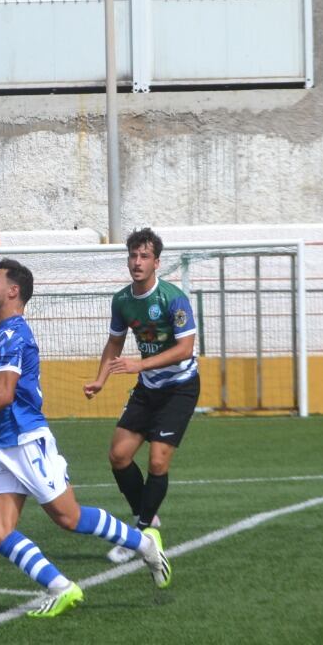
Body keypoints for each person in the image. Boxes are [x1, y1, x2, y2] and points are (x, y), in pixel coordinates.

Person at [0, 258, 171, 618]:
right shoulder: (1, 335)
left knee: (69, 518)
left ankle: (144, 544)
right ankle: (61, 587)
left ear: (13, 291)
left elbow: (4, 394)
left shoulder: (15, 334)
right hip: (2, 443)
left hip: (25, 439)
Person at [83, 227, 199, 564]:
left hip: (180, 387)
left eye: (144, 256)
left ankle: (141, 531)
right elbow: (115, 343)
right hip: (147, 388)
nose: (137, 261)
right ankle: (148, 515)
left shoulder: (172, 298)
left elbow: (186, 348)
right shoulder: (121, 300)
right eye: (133, 255)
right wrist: (100, 379)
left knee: (158, 460)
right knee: (119, 456)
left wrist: (141, 364)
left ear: (156, 262)